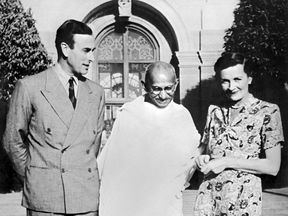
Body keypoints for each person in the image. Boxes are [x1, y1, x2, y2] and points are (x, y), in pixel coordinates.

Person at [3, 19, 105, 216]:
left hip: (85, 197)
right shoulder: (30, 87)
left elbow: (94, 144)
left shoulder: (96, 92)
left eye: (92, 50)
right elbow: (12, 141)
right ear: (65, 49)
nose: (92, 57)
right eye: (86, 50)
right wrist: (37, 175)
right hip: (46, 198)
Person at [97, 61, 200, 216]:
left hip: (169, 201)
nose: (163, 95)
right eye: (156, 89)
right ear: (144, 86)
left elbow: (191, 157)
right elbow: (113, 165)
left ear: (176, 84)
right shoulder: (131, 114)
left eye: (168, 88)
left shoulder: (182, 115)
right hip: (134, 200)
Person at [193, 52, 284, 216]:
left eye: (237, 79)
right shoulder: (214, 111)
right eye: (225, 81)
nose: (231, 87)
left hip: (243, 203)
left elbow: (273, 166)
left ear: (249, 78)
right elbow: (204, 151)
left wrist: (226, 161)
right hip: (208, 201)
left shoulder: (268, 112)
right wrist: (201, 158)